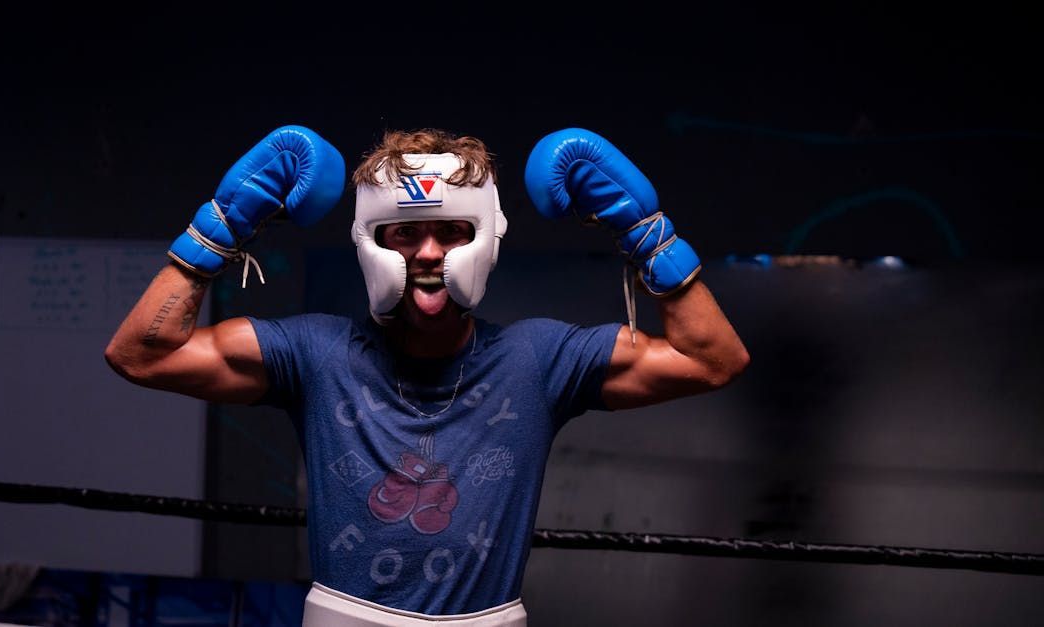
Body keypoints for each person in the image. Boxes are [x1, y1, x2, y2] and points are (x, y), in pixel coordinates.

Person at [105, 125, 749, 626]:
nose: (430, 254)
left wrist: (647, 235)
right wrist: (219, 228)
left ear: (486, 237)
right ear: (369, 240)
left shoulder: (538, 359)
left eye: (449, 231)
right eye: (405, 233)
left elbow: (712, 358)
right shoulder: (316, 353)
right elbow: (143, 353)